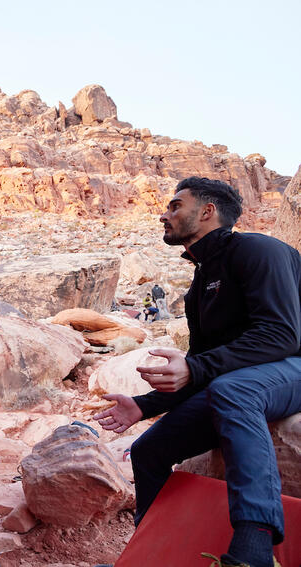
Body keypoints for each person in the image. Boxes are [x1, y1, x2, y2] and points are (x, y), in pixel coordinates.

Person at [92, 177, 301, 567]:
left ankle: (254, 548)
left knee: (233, 391)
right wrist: (143, 405)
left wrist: (196, 366)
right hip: (243, 382)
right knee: (149, 450)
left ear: (208, 212)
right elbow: (201, 368)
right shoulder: (200, 283)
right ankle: (152, 555)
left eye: (175, 206)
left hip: (292, 366)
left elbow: (282, 335)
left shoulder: (259, 250)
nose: (163, 214)